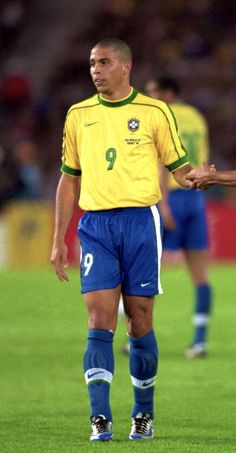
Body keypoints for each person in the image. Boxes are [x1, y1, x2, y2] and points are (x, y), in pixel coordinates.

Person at [50, 39, 193, 442]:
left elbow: (178, 168)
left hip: (141, 223)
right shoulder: (78, 114)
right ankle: (100, 418)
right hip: (95, 225)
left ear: (126, 67)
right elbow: (68, 177)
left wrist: (199, 178)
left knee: (140, 318)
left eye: (104, 62)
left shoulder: (153, 111)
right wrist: (58, 237)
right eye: (92, 63)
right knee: (99, 319)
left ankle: (142, 415)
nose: (96, 70)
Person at [145, 77, 213, 359]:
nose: (149, 98)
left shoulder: (161, 116)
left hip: (171, 196)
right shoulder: (196, 117)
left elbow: (161, 163)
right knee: (200, 275)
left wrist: (163, 206)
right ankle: (199, 341)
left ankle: (135, 337)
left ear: (168, 93)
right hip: (196, 197)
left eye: (153, 92)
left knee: (146, 272)